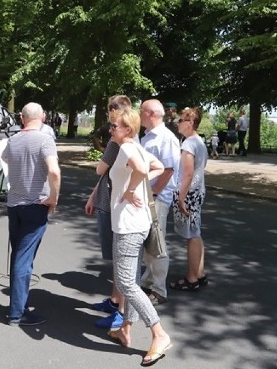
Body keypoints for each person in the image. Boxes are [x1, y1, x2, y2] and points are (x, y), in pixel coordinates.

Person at [105, 107, 172, 366]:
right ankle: (126, 329)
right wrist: (138, 185)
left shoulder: (127, 148)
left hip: (128, 226)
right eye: (111, 125)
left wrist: (132, 188)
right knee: (130, 278)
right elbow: (157, 166)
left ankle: (159, 333)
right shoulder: (137, 145)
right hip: (137, 223)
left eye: (114, 126)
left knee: (126, 283)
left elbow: (143, 167)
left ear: (128, 130)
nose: (111, 129)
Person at [1, 102, 61, 326]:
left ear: (21, 118)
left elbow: (6, 158)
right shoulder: (45, 139)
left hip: (14, 205)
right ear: (43, 117)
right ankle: (17, 313)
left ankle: (19, 306)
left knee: (18, 254)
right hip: (36, 205)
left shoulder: (13, 140)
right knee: (24, 259)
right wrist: (54, 197)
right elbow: (54, 170)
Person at [85, 96, 133, 330]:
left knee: (118, 259)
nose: (108, 118)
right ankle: (115, 301)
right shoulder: (123, 141)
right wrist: (94, 195)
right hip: (107, 200)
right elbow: (107, 174)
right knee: (115, 259)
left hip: (113, 205)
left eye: (109, 112)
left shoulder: (118, 143)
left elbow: (100, 168)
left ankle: (120, 311)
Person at [139, 99, 181, 307]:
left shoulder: (166, 138)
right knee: (148, 244)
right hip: (148, 197)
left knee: (157, 244)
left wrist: (154, 193)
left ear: (151, 114)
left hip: (157, 199)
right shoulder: (148, 137)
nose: (139, 115)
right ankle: (147, 281)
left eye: (142, 111)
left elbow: (169, 169)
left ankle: (159, 290)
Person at [171, 107, 209, 291]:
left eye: (181, 121)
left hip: (189, 193)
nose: (178, 123)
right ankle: (199, 273)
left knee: (191, 236)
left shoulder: (188, 145)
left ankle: (192, 278)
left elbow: (186, 175)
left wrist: (181, 198)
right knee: (196, 232)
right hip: (198, 191)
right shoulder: (199, 142)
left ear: (190, 123)